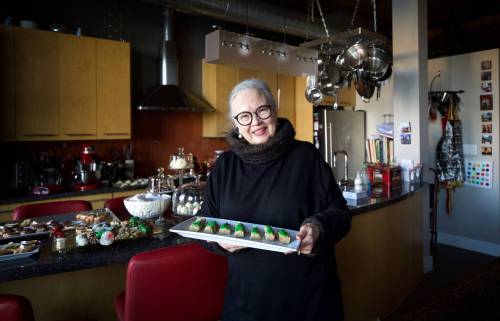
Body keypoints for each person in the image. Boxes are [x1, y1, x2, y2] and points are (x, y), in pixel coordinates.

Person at [197, 78, 351, 321]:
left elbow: (341, 214)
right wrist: (218, 241)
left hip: (308, 300)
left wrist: (317, 229)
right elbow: (204, 222)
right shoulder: (225, 166)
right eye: (244, 116)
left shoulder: (306, 157)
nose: (255, 121)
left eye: (262, 110)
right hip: (246, 303)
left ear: (274, 111)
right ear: (237, 125)